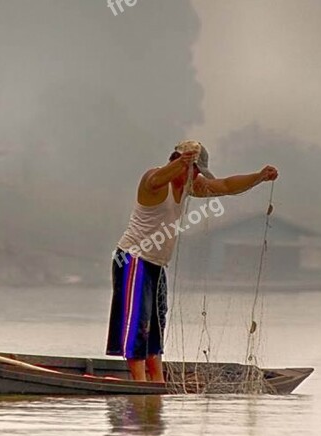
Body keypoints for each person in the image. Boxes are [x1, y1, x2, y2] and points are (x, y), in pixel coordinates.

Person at [106, 140, 279, 382]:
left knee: (157, 323)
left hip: (156, 264)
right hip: (133, 258)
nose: (196, 176)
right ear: (180, 162)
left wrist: (259, 177)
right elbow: (156, 180)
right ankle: (139, 383)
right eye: (194, 170)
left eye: (197, 172)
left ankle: (157, 380)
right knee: (139, 322)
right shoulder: (154, 179)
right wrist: (180, 163)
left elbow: (226, 185)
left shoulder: (189, 185)